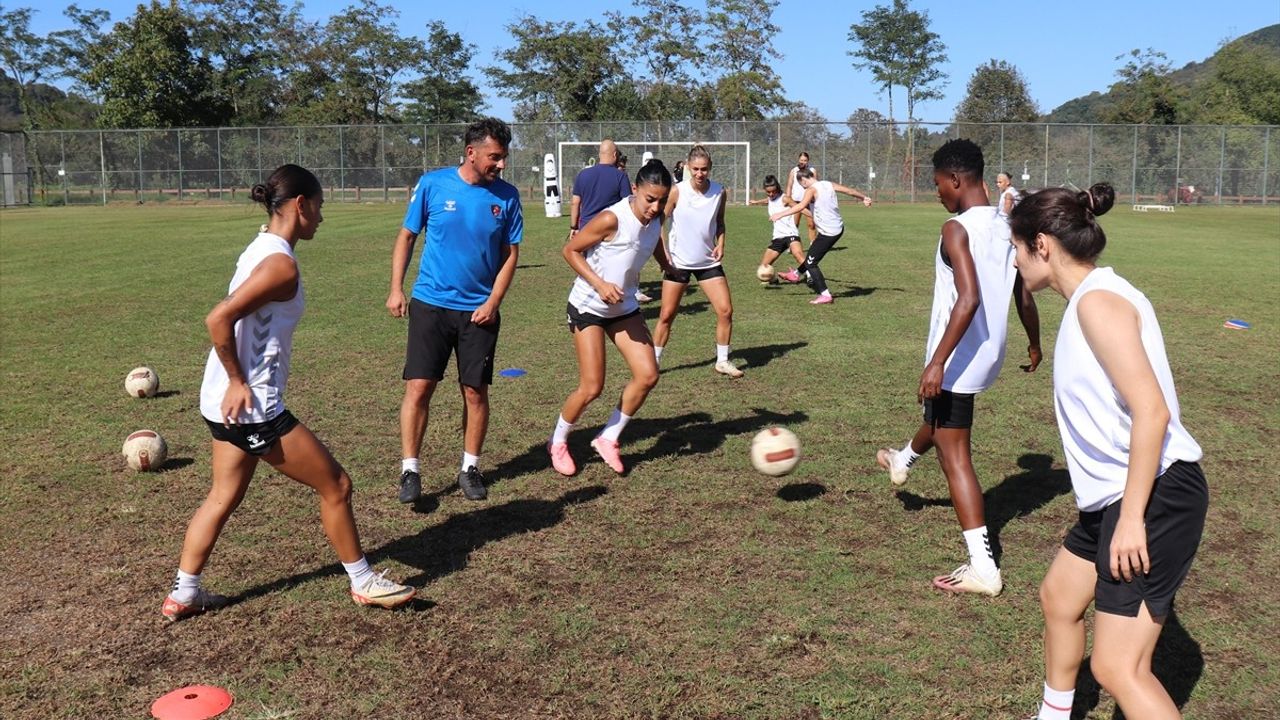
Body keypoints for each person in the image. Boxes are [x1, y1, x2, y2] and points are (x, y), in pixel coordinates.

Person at [163, 164, 415, 622]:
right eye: (319, 207)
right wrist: (240, 381)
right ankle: (363, 582)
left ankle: (184, 592)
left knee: (222, 496)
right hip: (251, 406)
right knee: (336, 485)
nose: (321, 217)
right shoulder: (280, 263)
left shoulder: (262, 246)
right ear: (300, 205)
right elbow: (218, 319)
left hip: (223, 405)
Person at [1010, 184, 1207, 720]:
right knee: (1059, 598)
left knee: (1118, 667)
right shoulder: (1089, 299)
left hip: (1152, 495)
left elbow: (1154, 411)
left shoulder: (1098, 303)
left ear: (1042, 245)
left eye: (1017, 248)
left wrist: (1132, 520)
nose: (1015, 259)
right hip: (1116, 497)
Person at [873, 139, 1041, 596]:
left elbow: (968, 299)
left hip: (959, 356)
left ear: (956, 180)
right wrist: (1034, 341)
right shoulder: (1008, 226)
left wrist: (936, 361)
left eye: (937, 185)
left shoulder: (955, 228)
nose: (938, 194)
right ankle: (902, 458)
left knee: (956, 456)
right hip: (989, 353)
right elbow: (1023, 292)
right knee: (944, 423)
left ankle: (983, 567)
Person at [388, 118, 523, 504]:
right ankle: (410, 470)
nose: (500, 165)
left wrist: (493, 301)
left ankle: (470, 467)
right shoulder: (433, 184)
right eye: (494, 157)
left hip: (478, 311)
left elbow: (511, 255)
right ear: (471, 152)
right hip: (430, 304)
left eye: (503, 157)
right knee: (419, 387)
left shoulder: (507, 196)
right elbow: (407, 236)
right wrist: (396, 288)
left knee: (475, 392)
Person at [549, 160, 676, 476]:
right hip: (589, 307)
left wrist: (668, 266)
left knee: (648, 375)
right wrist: (600, 284)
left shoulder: (656, 220)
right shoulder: (611, 218)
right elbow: (570, 251)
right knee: (592, 386)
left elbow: (653, 241)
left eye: (662, 200)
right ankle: (558, 442)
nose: (655, 207)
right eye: (650, 199)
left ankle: (608, 437)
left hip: (624, 309)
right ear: (635, 189)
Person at [652, 145, 744, 378]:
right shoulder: (677, 191)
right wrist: (664, 252)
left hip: (708, 263)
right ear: (687, 167)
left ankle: (722, 361)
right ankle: (653, 362)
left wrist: (721, 243)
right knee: (666, 315)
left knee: (725, 311)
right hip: (678, 263)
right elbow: (659, 222)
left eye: (704, 169)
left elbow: (720, 222)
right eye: (695, 169)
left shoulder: (719, 192)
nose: (700, 173)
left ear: (710, 168)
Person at [770, 168, 873, 304]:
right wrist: (864, 197)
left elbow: (801, 206)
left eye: (802, 185)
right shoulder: (828, 184)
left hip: (828, 233)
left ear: (803, 180)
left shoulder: (811, 189)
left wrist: (780, 214)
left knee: (812, 263)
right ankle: (795, 275)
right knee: (812, 254)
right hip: (837, 228)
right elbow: (849, 191)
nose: (803, 187)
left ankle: (825, 295)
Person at [570, 141, 650, 303]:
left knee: (588, 265)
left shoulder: (583, 175)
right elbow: (628, 203)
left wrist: (574, 226)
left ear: (599, 154)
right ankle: (625, 293)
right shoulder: (620, 176)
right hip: (610, 230)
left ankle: (587, 294)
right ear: (615, 155)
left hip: (586, 228)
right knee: (613, 267)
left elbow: (575, 202)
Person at [746, 174, 807, 281]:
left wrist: (815, 216)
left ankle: (811, 276)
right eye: (768, 192)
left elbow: (800, 208)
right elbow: (768, 200)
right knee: (763, 267)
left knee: (798, 256)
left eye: (773, 191)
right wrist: (756, 202)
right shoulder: (770, 198)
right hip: (778, 237)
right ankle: (774, 279)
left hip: (791, 234)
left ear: (777, 187)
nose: (771, 194)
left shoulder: (785, 199)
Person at [784, 152, 820, 244]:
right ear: (798, 160)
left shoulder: (812, 170)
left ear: (808, 161)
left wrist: (815, 199)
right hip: (796, 201)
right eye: (801, 160)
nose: (803, 162)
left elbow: (816, 185)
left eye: (805, 160)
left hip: (808, 202)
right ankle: (792, 245)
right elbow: (789, 185)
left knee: (811, 224)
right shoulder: (794, 170)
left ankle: (813, 244)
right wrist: (788, 198)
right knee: (794, 224)